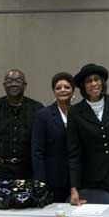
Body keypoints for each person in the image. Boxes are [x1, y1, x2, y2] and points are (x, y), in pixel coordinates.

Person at [67, 63, 109, 204]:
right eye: (88, 81)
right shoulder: (75, 112)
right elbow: (74, 152)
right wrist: (74, 188)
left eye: (96, 79)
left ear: (102, 82)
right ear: (83, 87)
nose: (94, 84)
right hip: (93, 178)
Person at [0, 69, 43, 181]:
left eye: (18, 81)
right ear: (4, 85)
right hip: (1, 170)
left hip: (28, 170)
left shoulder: (37, 109)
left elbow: (41, 140)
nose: (13, 84)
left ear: (25, 85)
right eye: (9, 81)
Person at [31, 72, 75, 202]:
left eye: (67, 87)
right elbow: (37, 152)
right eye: (58, 87)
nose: (63, 90)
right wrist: (41, 182)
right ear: (54, 91)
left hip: (75, 179)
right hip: (52, 179)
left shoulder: (78, 113)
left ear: (73, 90)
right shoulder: (43, 115)